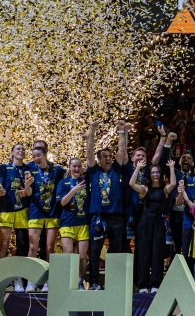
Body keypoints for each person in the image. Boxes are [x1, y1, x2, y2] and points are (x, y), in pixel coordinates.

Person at [84, 120, 130, 291]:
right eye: (105, 156)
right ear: (98, 160)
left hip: (116, 217)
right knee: (95, 251)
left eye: (110, 156)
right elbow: (89, 151)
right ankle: (94, 282)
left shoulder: (116, 170)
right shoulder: (94, 171)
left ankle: (114, 282)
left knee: (116, 251)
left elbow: (122, 150)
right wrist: (92, 131)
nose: (109, 158)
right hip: (98, 217)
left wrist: (121, 132)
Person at [129, 158, 177, 293]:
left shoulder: (165, 189)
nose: (155, 175)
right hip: (145, 222)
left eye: (157, 172)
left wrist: (172, 168)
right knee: (144, 253)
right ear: (150, 175)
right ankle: (143, 284)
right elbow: (131, 183)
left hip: (159, 222)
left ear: (160, 175)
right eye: (153, 172)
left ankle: (156, 283)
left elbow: (173, 183)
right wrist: (138, 168)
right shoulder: (145, 189)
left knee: (157, 252)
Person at [26, 145, 66, 283]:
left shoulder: (57, 169)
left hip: (52, 212)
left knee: (50, 247)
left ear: (45, 155)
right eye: (34, 156)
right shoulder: (30, 170)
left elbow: (68, 178)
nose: (36, 158)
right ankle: (30, 279)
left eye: (39, 155)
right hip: (36, 211)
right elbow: (29, 193)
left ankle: (49, 280)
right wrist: (26, 188)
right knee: (32, 247)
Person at [0, 143, 30, 289]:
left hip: (23, 210)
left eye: (23, 149)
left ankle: (19, 278)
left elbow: (31, 188)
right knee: (4, 243)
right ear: (12, 152)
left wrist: (27, 191)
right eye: (18, 149)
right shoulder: (4, 167)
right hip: (7, 208)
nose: (21, 151)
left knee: (22, 244)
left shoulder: (28, 169)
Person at [55, 157, 90, 289]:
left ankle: (80, 280)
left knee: (82, 256)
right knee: (68, 253)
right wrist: (74, 190)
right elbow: (62, 202)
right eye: (73, 166)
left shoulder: (86, 182)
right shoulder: (63, 183)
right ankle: (68, 281)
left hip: (83, 223)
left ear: (82, 168)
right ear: (69, 167)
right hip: (67, 222)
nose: (76, 169)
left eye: (78, 166)